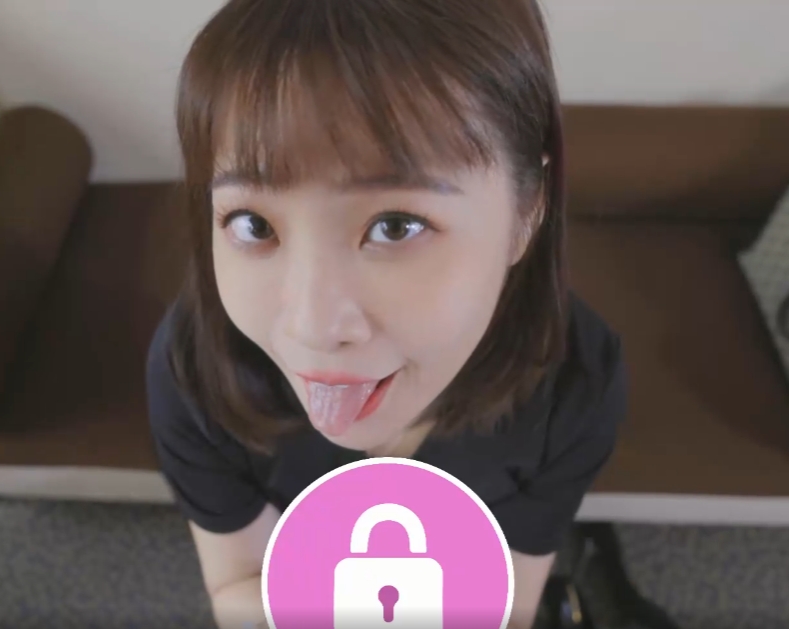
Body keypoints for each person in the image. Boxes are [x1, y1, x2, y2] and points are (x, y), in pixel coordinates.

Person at [146, 0, 627, 627]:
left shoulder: (577, 381)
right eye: (254, 224)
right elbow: (239, 584)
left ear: (527, 210)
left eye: (396, 226)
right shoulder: (197, 369)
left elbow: (506, 602)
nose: (312, 329)